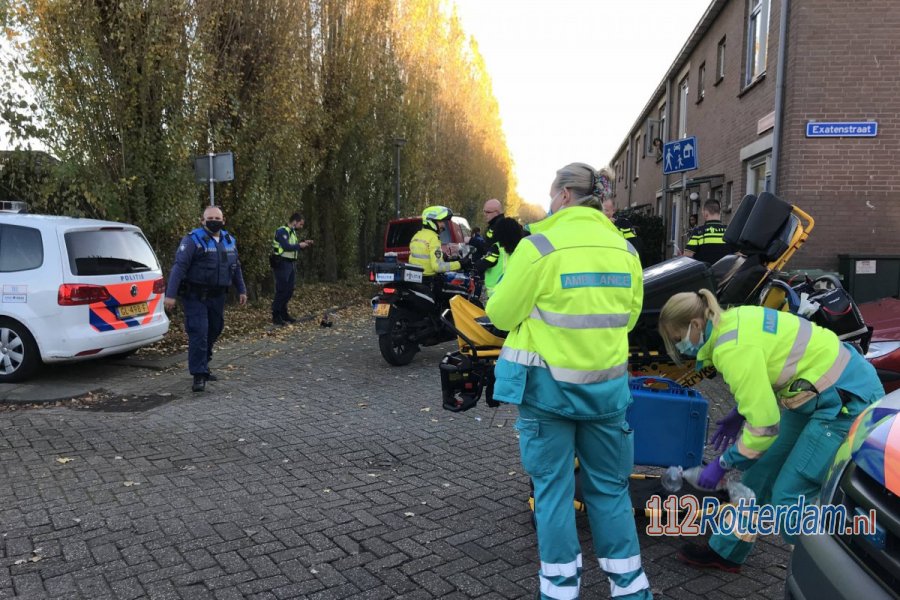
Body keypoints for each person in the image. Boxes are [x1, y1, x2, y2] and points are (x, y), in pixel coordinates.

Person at [486, 163, 651, 600]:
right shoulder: (626, 252)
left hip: (548, 395)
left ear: (562, 195)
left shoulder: (538, 247)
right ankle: (631, 590)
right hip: (608, 395)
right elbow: (629, 318)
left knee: (554, 493)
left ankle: (560, 591)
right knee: (611, 491)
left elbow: (500, 314)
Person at [658, 290, 884, 573]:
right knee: (759, 475)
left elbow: (765, 428)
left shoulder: (730, 348)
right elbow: (768, 364)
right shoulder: (732, 319)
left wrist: (723, 463)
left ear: (695, 324)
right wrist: (740, 412)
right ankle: (725, 551)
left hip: (846, 404)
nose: (680, 348)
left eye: (679, 339)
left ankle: (835, 574)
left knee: (788, 496)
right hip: (823, 394)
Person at [165, 206, 248, 392]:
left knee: (215, 329)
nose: (213, 220)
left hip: (217, 297)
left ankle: (204, 363)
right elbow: (179, 267)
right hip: (195, 296)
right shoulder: (193, 240)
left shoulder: (228, 240)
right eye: (209, 218)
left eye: (217, 218)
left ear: (223, 220)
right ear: (202, 221)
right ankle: (198, 374)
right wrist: (170, 295)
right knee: (199, 332)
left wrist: (241, 289)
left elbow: (236, 267)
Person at [270, 212, 313, 325]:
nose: (301, 227)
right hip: (282, 263)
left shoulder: (292, 232)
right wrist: (299, 246)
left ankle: (284, 314)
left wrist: (303, 244)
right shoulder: (282, 231)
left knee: (289, 291)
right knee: (282, 290)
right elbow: (286, 246)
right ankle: (276, 315)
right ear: (295, 221)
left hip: (290, 263)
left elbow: (292, 246)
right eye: (301, 224)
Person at [408, 205, 469, 278]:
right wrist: (460, 264)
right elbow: (438, 267)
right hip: (429, 280)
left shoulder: (417, 235)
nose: (443, 224)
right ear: (431, 222)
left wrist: (442, 256)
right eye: (440, 221)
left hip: (417, 279)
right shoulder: (433, 238)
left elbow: (424, 256)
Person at [683, 199, 732, 264]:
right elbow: (738, 254)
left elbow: (687, 255)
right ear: (719, 213)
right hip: (726, 273)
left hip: (705, 273)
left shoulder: (698, 232)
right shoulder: (729, 231)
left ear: (705, 213)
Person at [474, 198, 506, 296]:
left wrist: (477, 266)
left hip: (498, 279)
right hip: (500, 278)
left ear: (496, 212)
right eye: (484, 211)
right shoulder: (498, 225)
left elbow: (491, 252)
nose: (485, 214)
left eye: (487, 212)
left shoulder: (498, 227)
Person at [602, 198, 644, 264]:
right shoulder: (595, 224)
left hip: (619, 263)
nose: (603, 213)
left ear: (613, 211)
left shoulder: (623, 224)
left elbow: (634, 247)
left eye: (606, 210)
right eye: (601, 211)